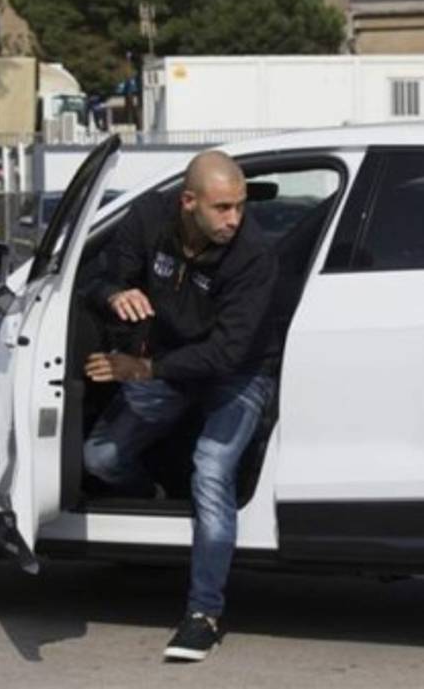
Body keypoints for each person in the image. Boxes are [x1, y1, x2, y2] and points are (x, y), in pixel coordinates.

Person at [81, 149, 278, 662]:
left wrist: (143, 369)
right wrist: (117, 294)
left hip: (237, 374)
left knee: (211, 470)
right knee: (100, 459)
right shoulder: (148, 217)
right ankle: (151, 502)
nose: (234, 219)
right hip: (169, 365)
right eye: (222, 208)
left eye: (240, 207)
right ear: (188, 202)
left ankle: (203, 614)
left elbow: (227, 352)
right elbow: (98, 279)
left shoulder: (253, 254)